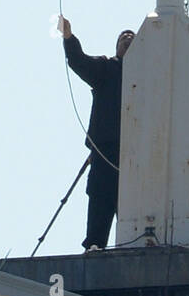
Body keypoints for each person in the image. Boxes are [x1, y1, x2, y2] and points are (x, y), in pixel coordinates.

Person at [58, 15, 135, 251]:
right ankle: (94, 246)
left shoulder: (152, 77)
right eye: (124, 37)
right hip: (105, 151)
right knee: (101, 198)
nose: (128, 39)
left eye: (132, 37)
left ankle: (132, 247)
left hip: (136, 155)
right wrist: (69, 37)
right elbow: (80, 62)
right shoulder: (107, 69)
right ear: (117, 47)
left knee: (134, 207)